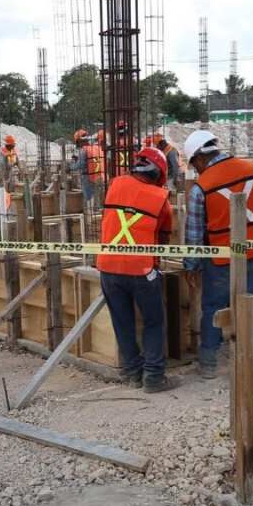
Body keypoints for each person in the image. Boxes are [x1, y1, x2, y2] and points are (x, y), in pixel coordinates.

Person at [182, 130, 253, 379]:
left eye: (194, 165)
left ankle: (209, 364)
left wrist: (192, 265)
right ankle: (246, 356)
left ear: (199, 159)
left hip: (222, 259)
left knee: (212, 307)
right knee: (248, 302)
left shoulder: (202, 188)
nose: (196, 170)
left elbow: (194, 234)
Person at [97, 146, 180, 392]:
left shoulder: (115, 184)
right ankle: (153, 377)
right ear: (158, 174)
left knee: (122, 322)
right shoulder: (161, 198)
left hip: (108, 266)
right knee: (153, 322)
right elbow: (163, 239)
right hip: (141, 270)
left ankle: (133, 373)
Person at [70, 129, 104, 204]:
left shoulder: (84, 150)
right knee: (98, 199)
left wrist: (70, 167)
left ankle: (90, 211)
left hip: (87, 177)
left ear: (80, 141)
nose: (78, 145)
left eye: (77, 143)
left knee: (89, 200)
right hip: (98, 176)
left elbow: (80, 165)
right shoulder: (96, 148)